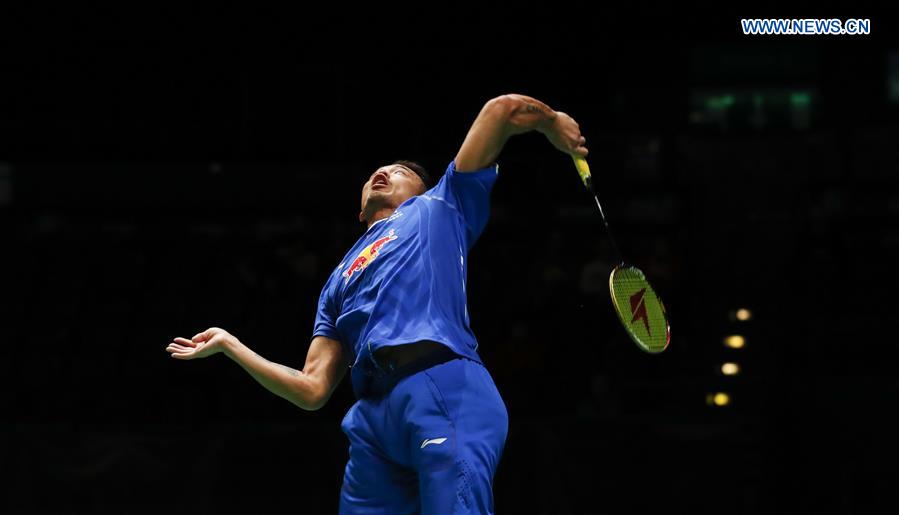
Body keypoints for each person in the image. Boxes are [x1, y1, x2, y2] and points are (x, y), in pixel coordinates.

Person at [165, 93, 588, 514]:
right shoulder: (338, 280)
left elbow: (502, 110)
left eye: (399, 172)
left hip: (442, 387)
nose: (383, 172)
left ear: (422, 190)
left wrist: (551, 121)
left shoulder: (441, 207)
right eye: (376, 172)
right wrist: (231, 345)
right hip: (374, 420)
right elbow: (311, 390)